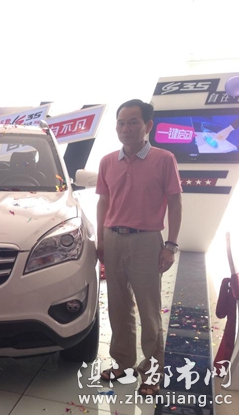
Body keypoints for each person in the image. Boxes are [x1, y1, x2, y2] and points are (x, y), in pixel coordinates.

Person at [96, 99, 182, 396]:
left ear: (148, 125)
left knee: (149, 310)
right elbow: (103, 201)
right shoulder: (108, 161)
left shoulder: (164, 159)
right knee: (118, 306)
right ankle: (123, 363)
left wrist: (171, 245)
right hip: (113, 239)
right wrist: (101, 239)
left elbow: (175, 203)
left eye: (133, 122)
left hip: (147, 241)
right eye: (121, 122)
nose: (126, 128)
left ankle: (153, 371)